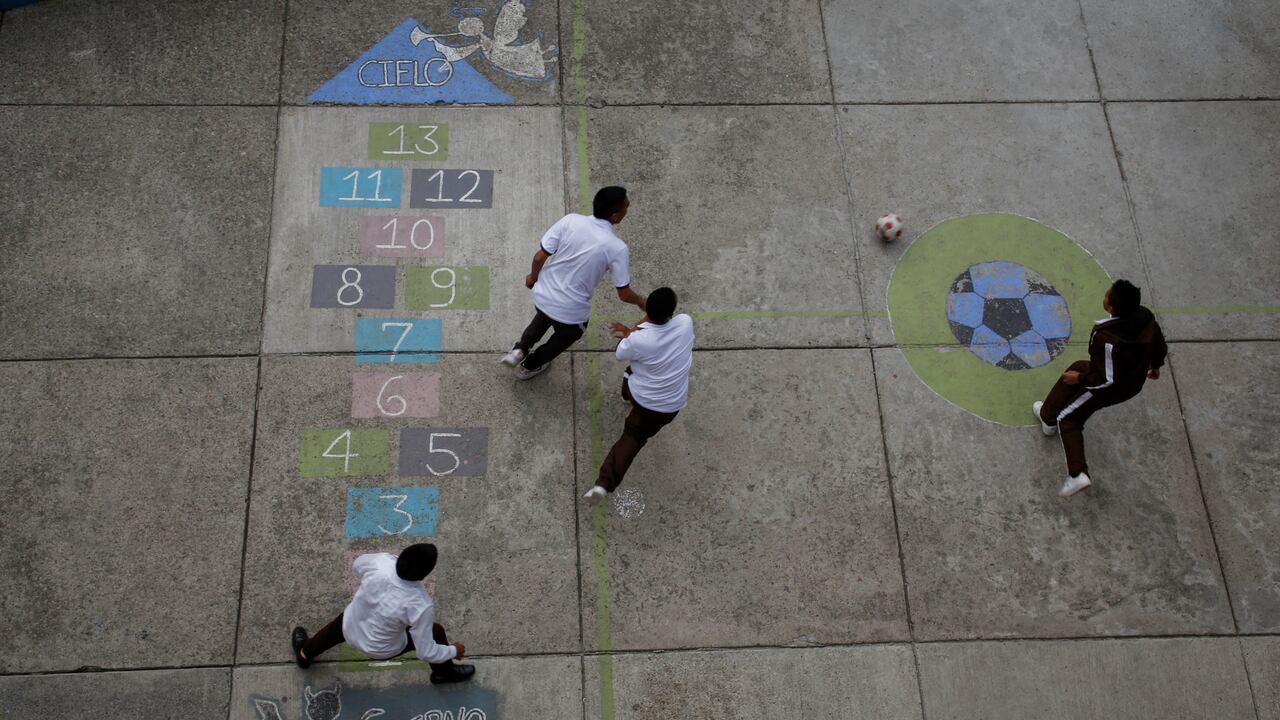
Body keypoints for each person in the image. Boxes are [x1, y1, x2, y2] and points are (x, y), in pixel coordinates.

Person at [1033, 279, 1167, 498]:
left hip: (1113, 385)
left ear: (1111, 307)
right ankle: (1047, 416)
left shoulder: (1107, 339)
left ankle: (1077, 474)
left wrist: (1080, 380)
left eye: (1107, 294)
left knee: (1069, 419)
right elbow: (1158, 342)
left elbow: (1106, 379)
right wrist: (1155, 365)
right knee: (1077, 367)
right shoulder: (1145, 317)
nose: (1104, 295)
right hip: (1131, 377)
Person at [501, 186, 646, 380]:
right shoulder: (617, 248)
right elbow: (624, 293)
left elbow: (539, 257)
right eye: (626, 207)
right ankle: (530, 365)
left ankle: (520, 349)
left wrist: (532, 277)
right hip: (571, 312)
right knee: (566, 335)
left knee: (544, 315)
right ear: (615, 216)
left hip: (543, 294)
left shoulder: (570, 220)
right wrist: (641, 302)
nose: (628, 209)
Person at [290, 543, 474, 684]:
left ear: (400, 556)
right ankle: (443, 673)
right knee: (436, 631)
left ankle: (305, 653)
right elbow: (425, 652)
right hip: (380, 649)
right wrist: (452, 650)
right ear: (424, 575)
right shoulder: (420, 605)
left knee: (334, 629)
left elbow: (357, 565)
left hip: (351, 625)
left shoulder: (381, 563)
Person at [584, 287, 694, 504]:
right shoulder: (685, 323)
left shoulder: (638, 340)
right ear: (671, 313)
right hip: (671, 405)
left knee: (629, 373)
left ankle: (626, 396)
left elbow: (621, 352)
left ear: (647, 311)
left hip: (643, 398)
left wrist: (630, 333)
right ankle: (603, 485)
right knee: (635, 438)